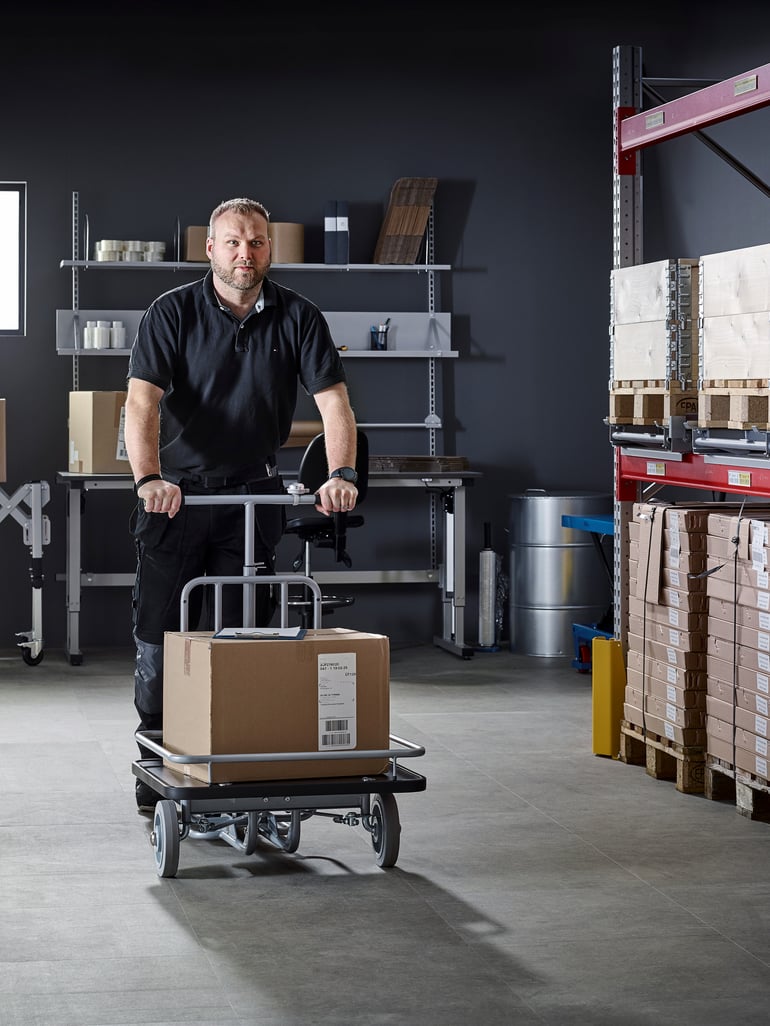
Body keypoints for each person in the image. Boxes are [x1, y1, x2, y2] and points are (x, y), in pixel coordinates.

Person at [125, 196, 359, 812]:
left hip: (252, 493)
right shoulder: (170, 313)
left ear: (269, 249)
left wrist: (341, 472)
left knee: (241, 638)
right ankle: (157, 772)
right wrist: (148, 478)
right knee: (161, 638)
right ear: (210, 249)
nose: (244, 253)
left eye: (255, 242)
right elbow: (142, 403)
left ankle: (232, 767)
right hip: (176, 496)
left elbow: (333, 402)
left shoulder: (299, 316)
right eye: (232, 242)